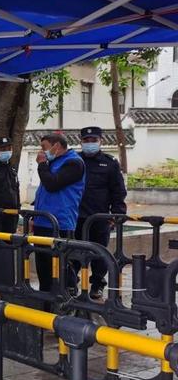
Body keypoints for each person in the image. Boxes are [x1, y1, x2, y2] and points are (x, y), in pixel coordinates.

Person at [76, 126, 127, 300]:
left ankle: (97, 285)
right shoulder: (74, 161)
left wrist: (117, 213)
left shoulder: (109, 163)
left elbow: (118, 190)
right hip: (76, 217)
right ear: (81, 142)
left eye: (93, 141)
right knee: (74, 251)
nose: (90, 144)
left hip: (100, 217)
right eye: (86, 141)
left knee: (99, 253)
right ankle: (70, 284)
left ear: (100, 141)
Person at [32, 133, 86, 292]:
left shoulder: (73, 163)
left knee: (61, 264)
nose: (42, 152)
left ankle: (69, 295)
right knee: (44, 266)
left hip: (60, 223)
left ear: (56, 146)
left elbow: (52, 184)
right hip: (43, 221)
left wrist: (42, 164)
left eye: (44, 147)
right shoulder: (54, 162)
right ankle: (46, 297)